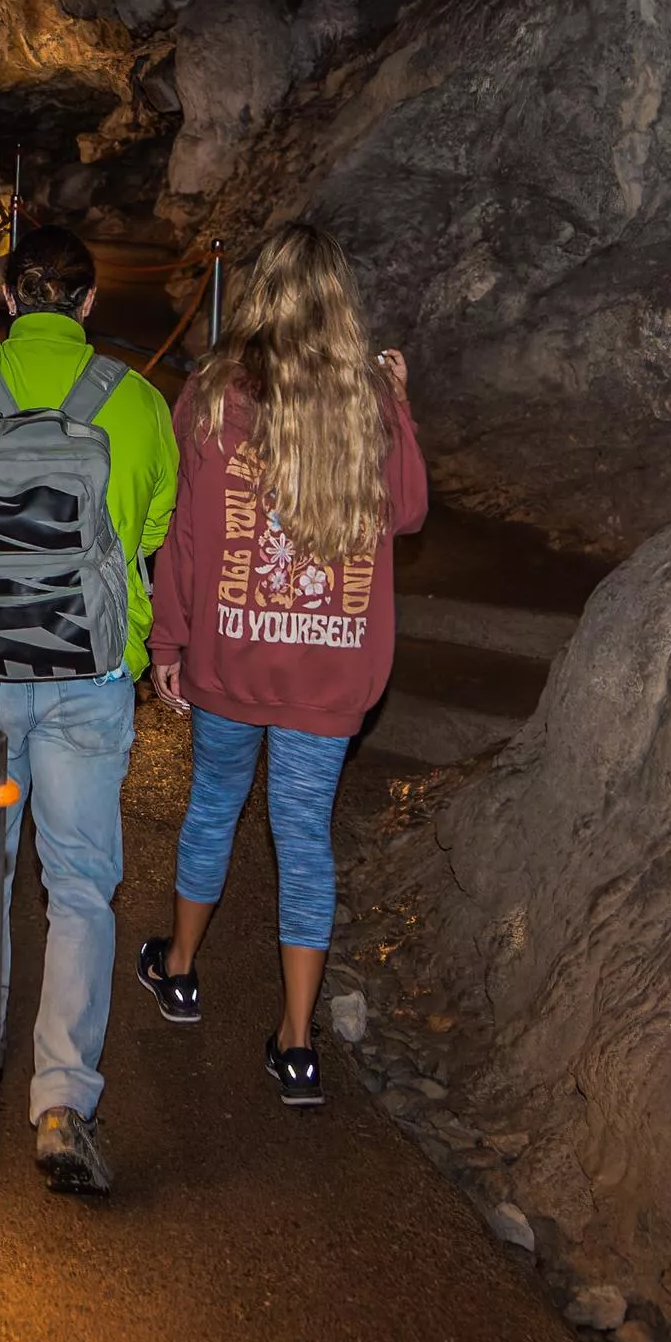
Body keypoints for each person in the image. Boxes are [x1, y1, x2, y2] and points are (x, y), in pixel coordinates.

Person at [0, 219, 181, 1198]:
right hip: (91, 674)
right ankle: (62, 1097)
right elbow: (149, 527)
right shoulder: (136, 400)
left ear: (7, 297)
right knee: (79, 886)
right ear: (89, 302)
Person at [135, 221, 426, 1107]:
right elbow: (408, 511)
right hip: (328, 670)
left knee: (213, 805)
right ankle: (297, 1045)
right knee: (303, 840)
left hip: (232, 655)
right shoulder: (367, 403)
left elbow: (186, 538)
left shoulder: (211, 396)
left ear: (259, 295)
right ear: (341, 304)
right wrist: (400, 404)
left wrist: (168, 642)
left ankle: (180, 970)